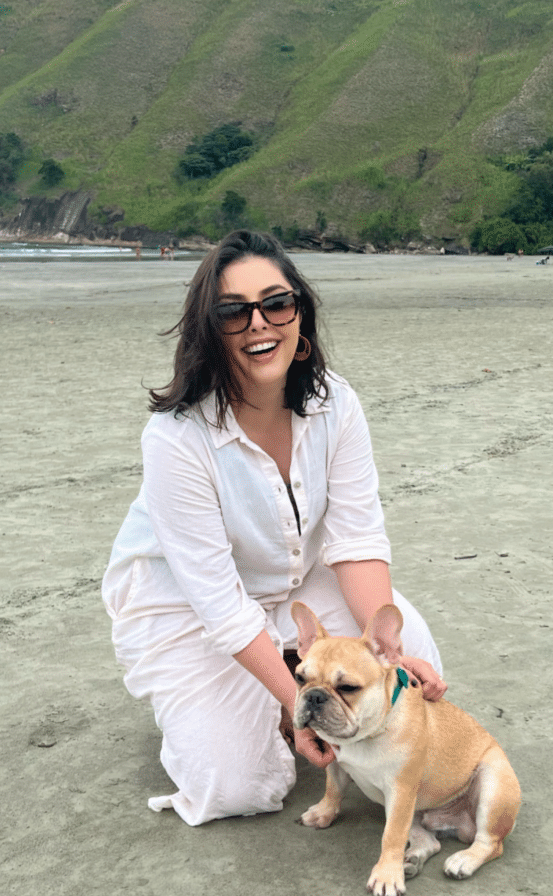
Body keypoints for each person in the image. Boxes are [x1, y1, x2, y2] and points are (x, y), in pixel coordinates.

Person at [102, 229, 445, 826]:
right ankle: (244, 695)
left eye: (276, 303)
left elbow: (356, 541)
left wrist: (384, 652)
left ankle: (287, 667)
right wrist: (297, 700)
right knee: (235, 787)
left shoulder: (336, 404)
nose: (259, 323)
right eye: (233, 313)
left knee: (411, 674)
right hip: (186, 608)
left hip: (297, 584)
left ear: (299, 312)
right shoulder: (175, 439)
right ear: (209, 332)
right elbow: (218, 602)